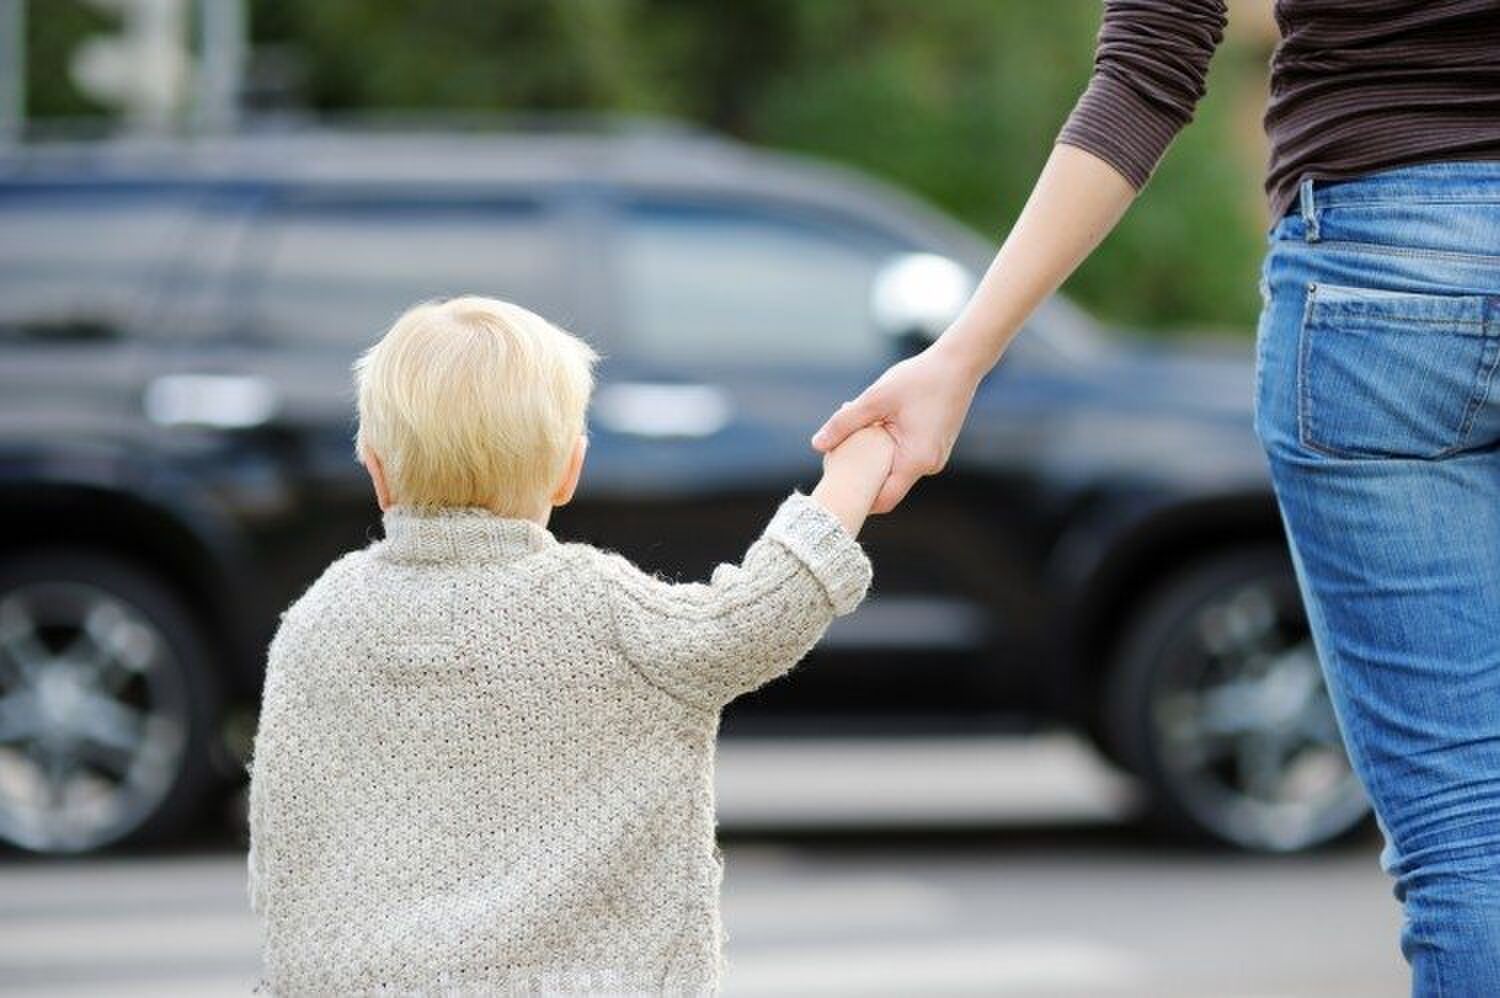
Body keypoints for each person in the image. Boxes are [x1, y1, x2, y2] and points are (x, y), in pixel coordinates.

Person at [813, 1, 1500, 992]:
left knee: (1466, 836)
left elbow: (1148, 66)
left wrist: (961, 357)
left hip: (1381, 280)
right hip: (1381, 282)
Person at [247, 296, 894, 994]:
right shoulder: (597, 606)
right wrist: (854, 473)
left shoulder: (316, 622)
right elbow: (752, 620)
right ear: (568, 470)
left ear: (375, 470)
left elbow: (286, 846)